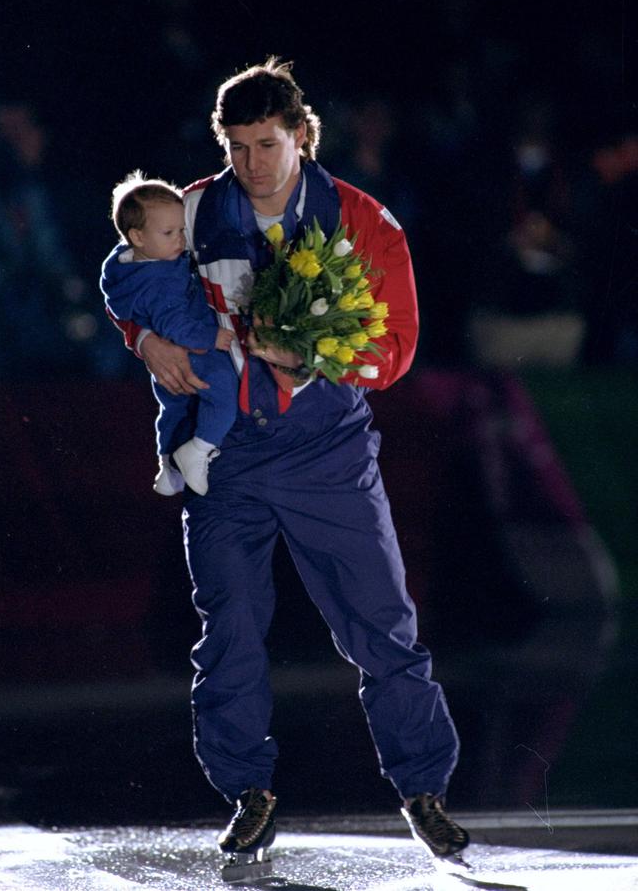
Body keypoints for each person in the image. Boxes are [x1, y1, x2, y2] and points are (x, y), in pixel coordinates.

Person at [115, 60, 470, 869]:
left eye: (268, 144)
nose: (253, 164)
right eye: (237, 147)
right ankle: (248, 791)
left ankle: (424, 790)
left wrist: (311, 351)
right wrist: (147, 340)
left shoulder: (360, 218)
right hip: (228, 455)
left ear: (303, 136)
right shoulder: (193, 210)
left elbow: (400, 346)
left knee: (382, 623)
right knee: (229, 626)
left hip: (326, 452)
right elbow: (128, 287)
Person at [101, 171, 239, 495]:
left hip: (169, 361)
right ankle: (200, 449)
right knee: (223, 394)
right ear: (137, 237)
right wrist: (211, 338)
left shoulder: (126, 265)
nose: (180, 240)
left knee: (172, 407)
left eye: (182, 230)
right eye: (169, 233)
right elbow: (175, 324)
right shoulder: (161, 281)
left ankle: (167, 467)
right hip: (195, 352)